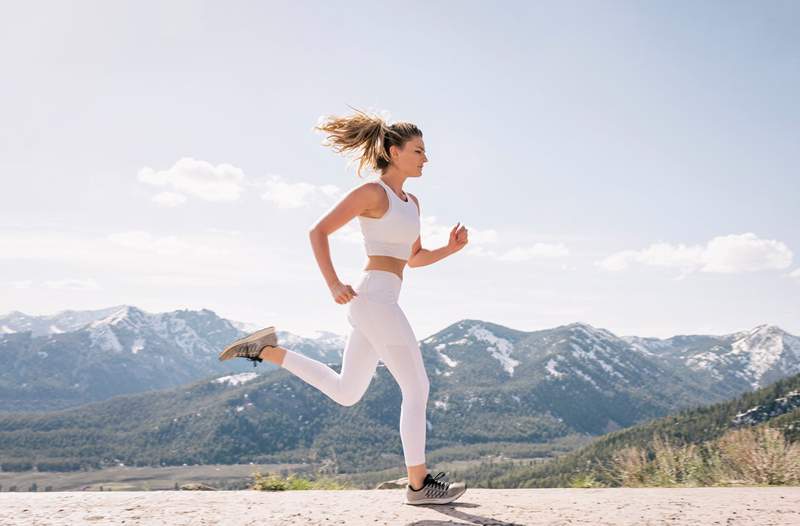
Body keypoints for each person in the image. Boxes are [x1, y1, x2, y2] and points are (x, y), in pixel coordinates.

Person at [219, 108, 469, 505]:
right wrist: (333, 282)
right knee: (417, 386)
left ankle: (265, 349)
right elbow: (318, 230)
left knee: (347, 391)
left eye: (426, 152)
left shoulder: (412, 202)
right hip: (373, 299)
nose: (426, 158)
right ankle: (419, 485)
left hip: (382, 298)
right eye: (419, 151)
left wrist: (450, 249)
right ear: (393, 151)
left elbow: (414, 257)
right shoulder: (373, 193)